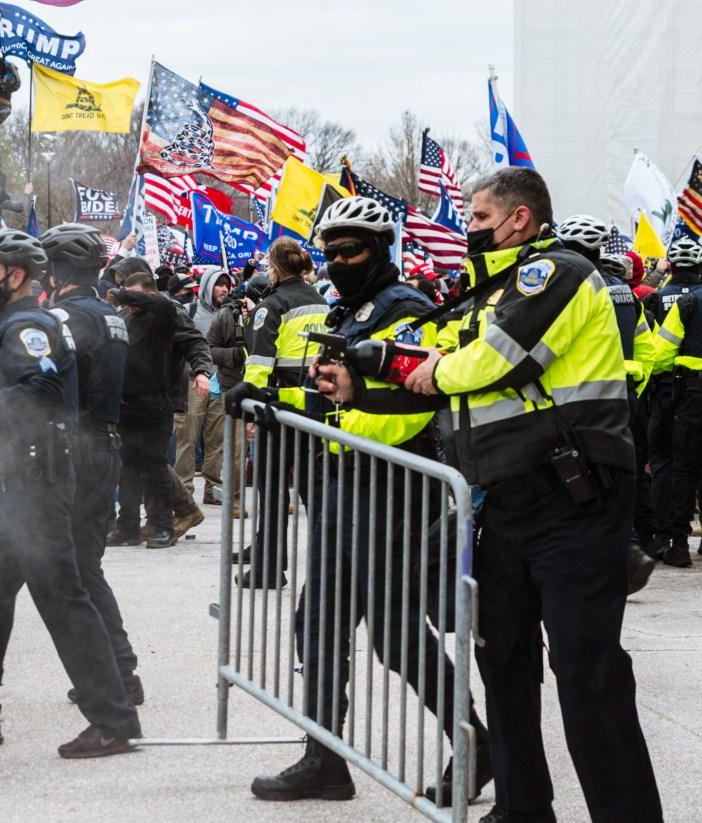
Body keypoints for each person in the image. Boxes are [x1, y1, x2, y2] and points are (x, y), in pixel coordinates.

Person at [322, 169, 661, 822]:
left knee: (587, 674)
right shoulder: (485, 293)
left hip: (576, 500)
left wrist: (431, 369)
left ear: (519, 220)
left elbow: (493, 360)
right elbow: (436, 367)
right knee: (502, 663)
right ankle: (521, 805)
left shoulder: (555, 274)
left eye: (478, 216)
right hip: (503, 506)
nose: (468, 226)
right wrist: (357, 384)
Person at [249, 196, 488, 805]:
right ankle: (329, 758)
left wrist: (329, 426)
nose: (336, 262)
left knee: (379, 629)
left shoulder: (403, 308)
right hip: (344, 480)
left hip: (388, 486)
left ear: (381, 252)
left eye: (350, 251)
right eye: (328, 253)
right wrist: (281, 411)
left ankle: (475, 745)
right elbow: (331, 392)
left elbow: (409, 405)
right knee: (352, 625)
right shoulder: (346, 307)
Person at [0, 227, 142, 758]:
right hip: (18, 481)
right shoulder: (11, 325)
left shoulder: (29, 326)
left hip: (39, 482)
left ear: (16, 277)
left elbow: (47, 393)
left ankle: (113, 719)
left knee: (63, 599)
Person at [41, 223, 144, 705]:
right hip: (103, 443)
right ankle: (116, 671)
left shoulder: (64, 317)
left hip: (74, 447)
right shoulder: (112, 316)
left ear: (59, 270)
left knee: (75, 567)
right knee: (83, 564)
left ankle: (117, 673)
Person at [555, 215, 656, 591]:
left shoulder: (575, 289)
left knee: (581, 479)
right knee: (619, 478)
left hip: (584, 400)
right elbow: (648, 348)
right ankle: (625, 551)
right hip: (624, 398)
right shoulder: (625, 292)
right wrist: (633, 388)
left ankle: (617, 555)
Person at [225, 238, 328, 589]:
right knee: (315, 494)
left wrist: (251, 409)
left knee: (271, 491)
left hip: (277, 406)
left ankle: (270, 566)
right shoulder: (322, 301)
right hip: (312, 406)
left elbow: (258, 366)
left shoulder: (271, 307)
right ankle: (329, 564)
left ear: (275, 268)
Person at [106, 272, 211, 549]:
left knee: (154, 466)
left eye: (135, 295)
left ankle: (162, 525)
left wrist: (201, 371)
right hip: (124, 403)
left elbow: (196, 343)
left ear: (150, 294)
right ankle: (127, 526)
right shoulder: (126, 318)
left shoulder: (166, 312)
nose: (129, 301)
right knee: (127, 466)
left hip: (156, 401)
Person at [643, 237, 702, 565]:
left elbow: (661, 354)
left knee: (684, 467)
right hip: (687, 395)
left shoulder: (684, 304)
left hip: (688, 396)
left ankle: (678, 544)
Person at [178, 266, 233, 507]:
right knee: (187, 437)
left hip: (219, 383)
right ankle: (183, 489)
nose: (224, 289)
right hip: (192, 382)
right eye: (219, 284)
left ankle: (213, 488)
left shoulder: (231, 314)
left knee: (217, 439)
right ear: (208, 286)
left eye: (227, 285)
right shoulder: (189, 311)